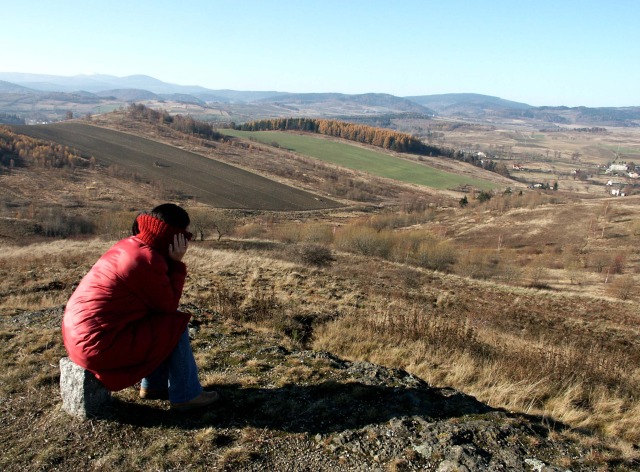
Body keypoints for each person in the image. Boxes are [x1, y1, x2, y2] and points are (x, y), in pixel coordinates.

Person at [62, 203, 218, 411]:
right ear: (174, 235)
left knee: (156, 322)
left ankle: (153, 387)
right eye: (185, 233)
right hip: (98, 344)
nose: (188, 238)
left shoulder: (130, 245)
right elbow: (168, 307)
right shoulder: (147, 259)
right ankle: (187, 395)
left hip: (80, 336)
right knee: (175, 324)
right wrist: (177, 265)